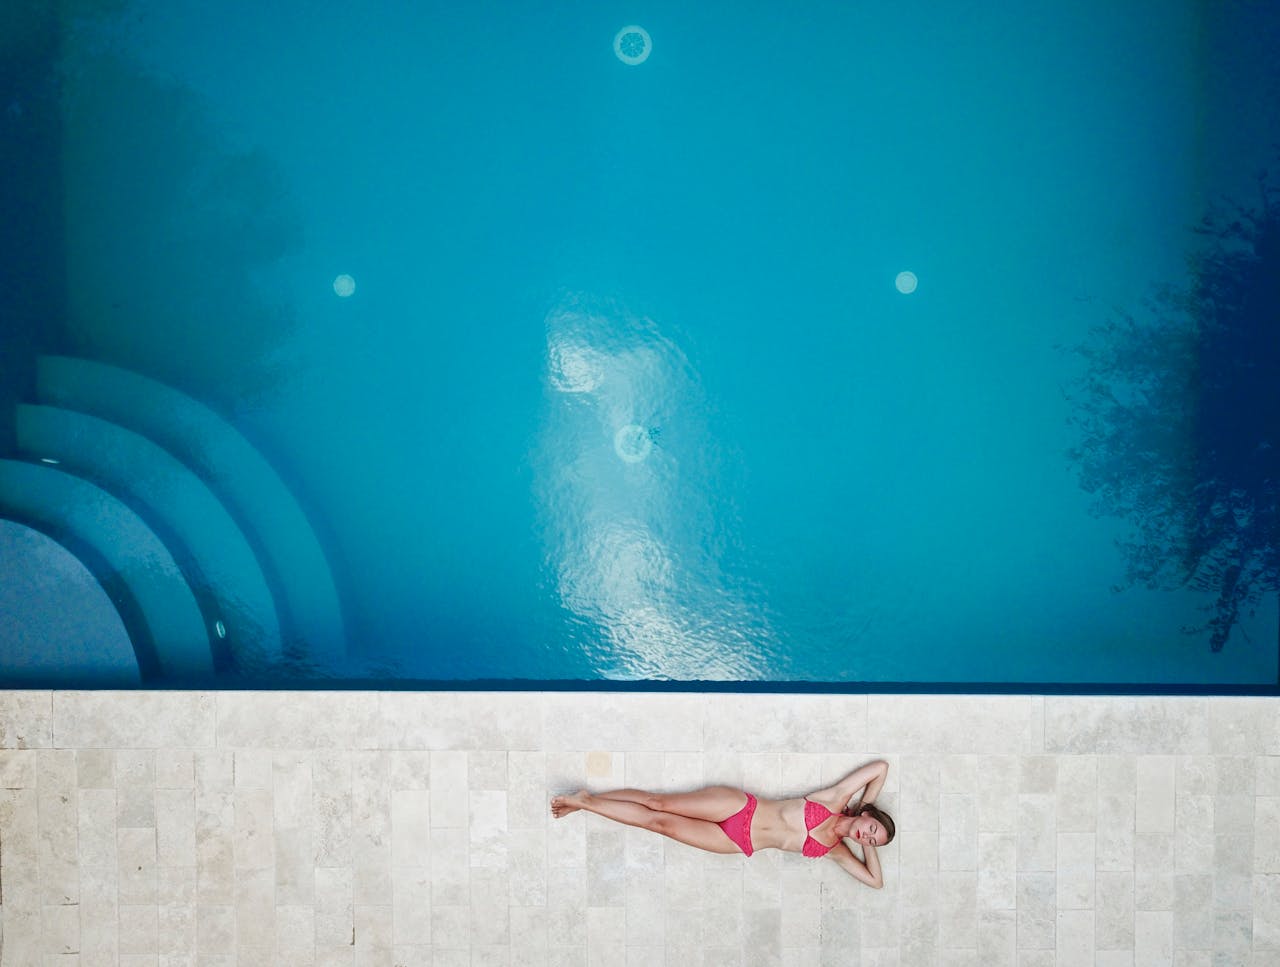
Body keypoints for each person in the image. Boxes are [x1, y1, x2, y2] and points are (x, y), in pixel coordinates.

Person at [550, 759, 893, 888]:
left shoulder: (836, 851)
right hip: (741, 807)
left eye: (872, 842)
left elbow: (875, 881)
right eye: (873, 829)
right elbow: (880, 768)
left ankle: (586, 804)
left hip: (736, 843)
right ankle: (588, 797)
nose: (867, 837)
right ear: (867, 817)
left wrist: (871, 847)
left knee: (659, 824)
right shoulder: (835, 799)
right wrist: (865, 803)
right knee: (660, 803)